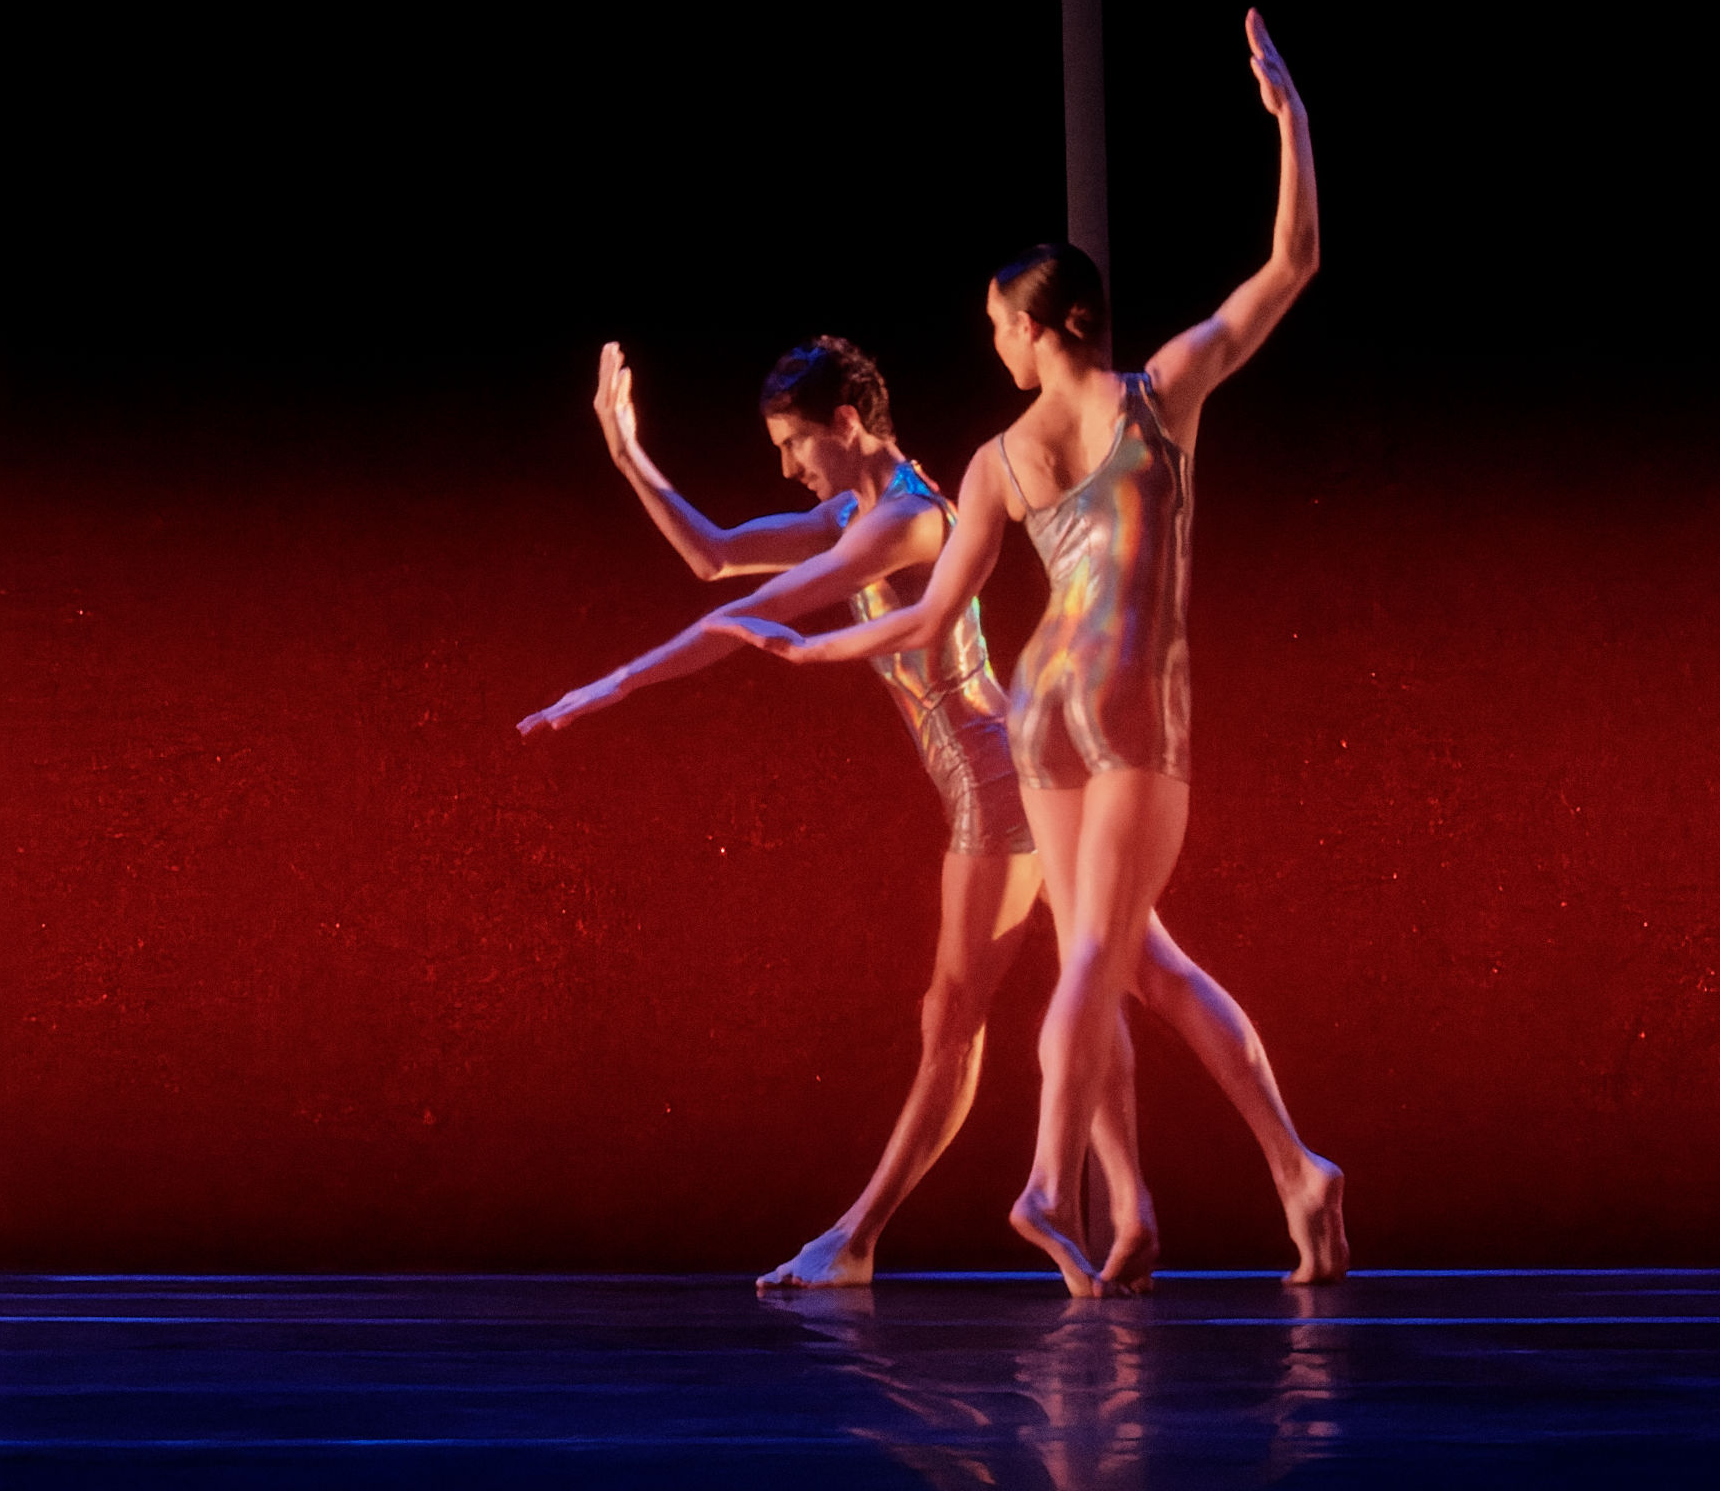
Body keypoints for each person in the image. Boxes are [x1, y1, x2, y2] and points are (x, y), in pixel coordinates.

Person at [735, 10, 1351, 1294]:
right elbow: (1291, 262)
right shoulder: (1160, 396)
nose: (994, 343)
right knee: (1096, 961)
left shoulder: (997, 461)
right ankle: (1048, 1183)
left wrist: (812, 655)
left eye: (1002, 325)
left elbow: (925, 621)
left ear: (1054, 321)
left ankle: (1274, 1180)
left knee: (1135, 962)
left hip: (1040, 704)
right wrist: (1292, 123)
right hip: (1126, 698)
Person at [521, 331, 1302, 1290]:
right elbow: (715, 561)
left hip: (996, 788)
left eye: (794, 444)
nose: (788, 467)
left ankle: (857, 1239)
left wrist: (615, 683)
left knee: (956, 1015)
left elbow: (752, 617)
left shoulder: (907, 522)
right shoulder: (856, 512)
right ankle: (1173, 1199)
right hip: (1009, 769)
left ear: (846, 423)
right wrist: (625, 451)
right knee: (1130, 972)